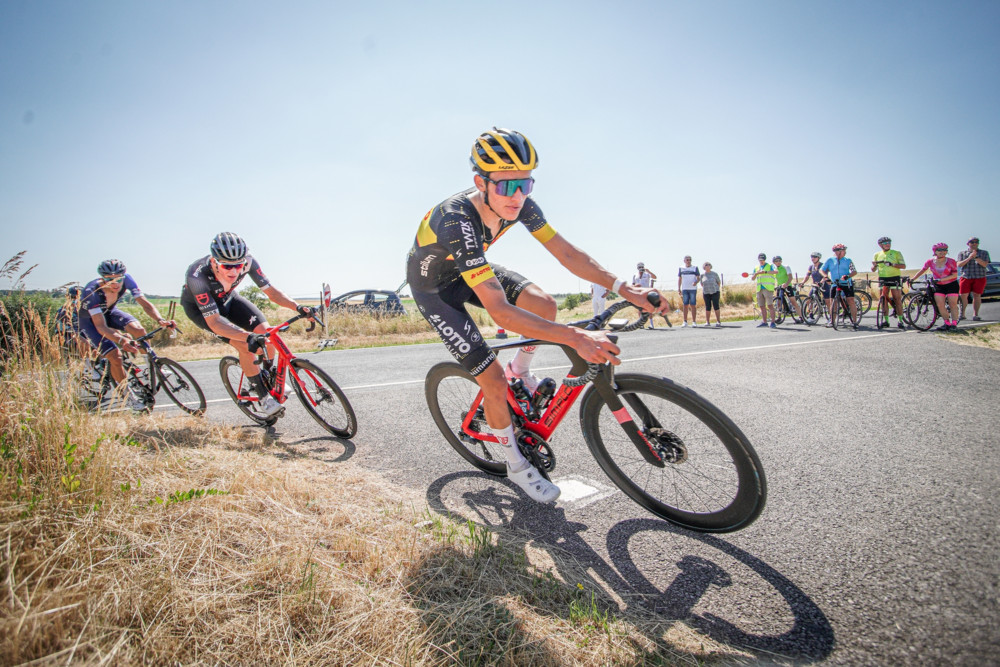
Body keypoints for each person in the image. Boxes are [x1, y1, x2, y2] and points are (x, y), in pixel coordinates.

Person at [405, 127, 667, 503]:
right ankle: (515, 464)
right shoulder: (455, 218)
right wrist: (576, 337)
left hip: (467, 268)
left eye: (526, 184)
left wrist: (626, 288)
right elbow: (500, 312)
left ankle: (521, 371)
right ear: (481, 182)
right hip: (435, 289)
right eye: (507, 186)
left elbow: (568, 254)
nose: (518, 196)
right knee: (491, 380)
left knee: (544, 304)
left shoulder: (522, 204)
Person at [180, 232, 314, 417]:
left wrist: (297, 307)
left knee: (268, 335)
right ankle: (263, 397)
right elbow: (215, 322)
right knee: (245, 344)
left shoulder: (249, 262)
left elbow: (272, 292)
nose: (234, 272)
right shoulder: (197, 276)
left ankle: (269, 377)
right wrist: (247, 336)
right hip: (203, 311)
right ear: (214, 262)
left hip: (228, 299)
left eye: (238, 265)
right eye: (227, 266)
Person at [78, 260, 177, 410]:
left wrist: (160, 319)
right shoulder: (91, 291)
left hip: (109, 312)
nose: (115, 283)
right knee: (115, 356)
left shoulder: (127, 279)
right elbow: (100, 326)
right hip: (90, 322)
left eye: (118, 278)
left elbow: (144, 303)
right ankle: (128, 396)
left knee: (139, 330)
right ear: (101, 279)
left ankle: (151, 367)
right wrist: (122, 339)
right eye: (109, 279)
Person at [910, 242, 961, 331]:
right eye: (940, 250)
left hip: (951, 284)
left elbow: (954, 275)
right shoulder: (930, 261)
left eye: (945, 250)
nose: (943, 252)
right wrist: (913, 279)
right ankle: (947, 323)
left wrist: (941, 279)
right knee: (940, 305)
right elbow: (923, 270)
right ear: (935, 251)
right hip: (939, 285)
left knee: (952, 304)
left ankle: (954, 324)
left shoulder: (951, 261)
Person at [871, 236, 907, 329]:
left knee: (897, 299)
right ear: (880, 245)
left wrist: (892, 264)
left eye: (889, 242)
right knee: (883, 300)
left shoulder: (896, 253)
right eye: (885, 243)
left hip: (894, 277)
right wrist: (874, 266)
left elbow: (903, 266)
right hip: (883, 278)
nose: (888, 244)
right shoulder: (877, 254)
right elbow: (873, 269)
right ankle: (886, 321)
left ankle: (900, 320)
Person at [820, 243, 859, 329]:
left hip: (846, 283)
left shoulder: (848, 260)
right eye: (843, 250)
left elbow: (854, 271)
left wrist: (848, 276)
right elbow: (822, 270)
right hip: (835, 284)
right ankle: (832, 321)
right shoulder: (830, 260)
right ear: (838, 252)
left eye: (844, 250)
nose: (844, 252)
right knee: (833, 303)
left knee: (851, 301)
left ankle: (855, 321)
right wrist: (826, 277)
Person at [957, 237, 991, 321]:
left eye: (976, 242)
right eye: (972, 242)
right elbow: (959, 264)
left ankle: (975, 314)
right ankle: (962, 314)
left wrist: (976, 257)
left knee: (977, 295)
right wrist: (969, 257)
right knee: (963, 296)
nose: (974, 243)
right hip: (966, 276)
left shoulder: (984, 253)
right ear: (968, 243)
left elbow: (984, 264)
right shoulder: (962, 253)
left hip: (979, 276)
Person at [750, 253, 777, 328]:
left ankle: (773, 322)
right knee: (762, 306)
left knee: (770, 305)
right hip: (759, 288)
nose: (761, 261)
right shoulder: (756, 267)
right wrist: (756, 274)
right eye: (760, 260)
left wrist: (765, 272)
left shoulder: (770, 265)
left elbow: (775, 271)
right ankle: (764, 322)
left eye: (763, 260)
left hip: (768, 288)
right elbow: (752, 278)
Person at [772, 256, 798, 323]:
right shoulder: (775, 269)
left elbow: (790, 277)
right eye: (776, 261)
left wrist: (786, 284)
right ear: (774, 262)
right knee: (779, 303)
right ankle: (779, 317)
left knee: (793, 302)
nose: (778, 262)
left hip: (787, 286)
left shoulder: (786, 267)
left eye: (779, 260)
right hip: (780, 287)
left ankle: (801, 317)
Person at [677, 255, 700, 327]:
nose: (688, 261)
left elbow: (698, 278)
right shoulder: (681, 268)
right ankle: (685, 321)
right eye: (687, 260)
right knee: (685, 305)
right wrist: (679, 288)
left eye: (690, 259)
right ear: (684, 261)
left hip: (692, 289)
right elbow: (680, 279)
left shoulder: (695, 268)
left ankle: (694, 321)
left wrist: (695, 282)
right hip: (685, 289)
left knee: (693, 305)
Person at [700, 262, 722, 327]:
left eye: (709, 265)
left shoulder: (714, 274)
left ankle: (718, 321)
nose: (707, 266)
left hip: (715, 292)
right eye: (706, 265)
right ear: (704, 267)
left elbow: (718, 282)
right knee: (708, 307)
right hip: (706, 293)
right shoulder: (702, 275)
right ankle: (707, 321)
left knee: (716, 306)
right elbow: (702, 284)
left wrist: (715, 288)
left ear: (710, 266)